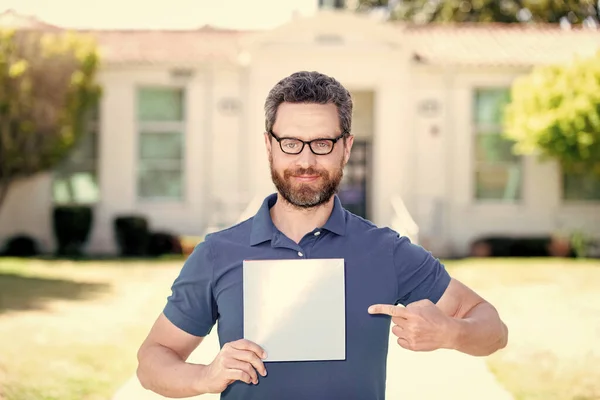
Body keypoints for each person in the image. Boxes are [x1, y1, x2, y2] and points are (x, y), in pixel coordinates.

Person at [136, 71, 509, 400]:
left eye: (322, 143)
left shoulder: (386, 251)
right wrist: (205, 376)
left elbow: (492, 328)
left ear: (346, 147)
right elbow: (152, 361)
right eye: (291, 142)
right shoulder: (219, 253)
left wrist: (450, 333)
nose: (306, 160)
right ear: (269, 145)